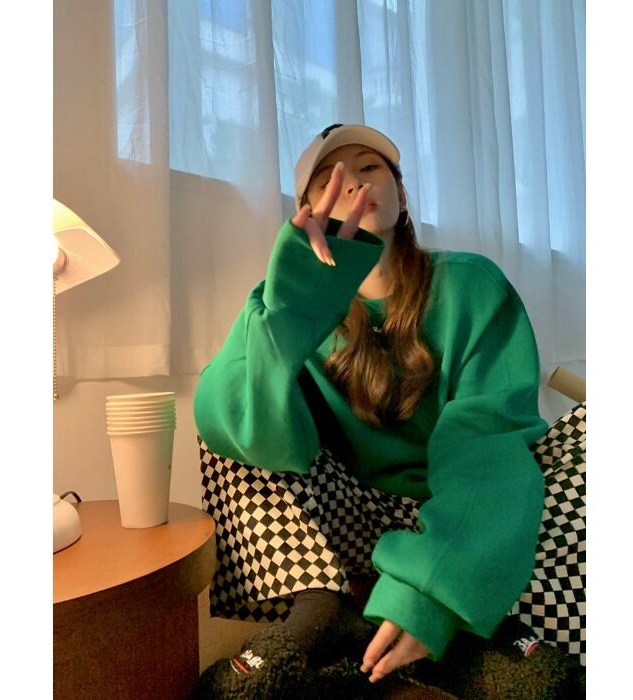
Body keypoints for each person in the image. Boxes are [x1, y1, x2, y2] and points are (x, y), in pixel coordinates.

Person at [192, 123, 549, 698]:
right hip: (348, 524)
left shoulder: (471, 285)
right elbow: (231, 424)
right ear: (307, 210)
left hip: (458, 511)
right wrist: (290, 318)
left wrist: (427, 596)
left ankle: (449, 608)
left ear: (401, 192)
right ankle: (320, 610)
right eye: (330, 179)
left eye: (369, 168)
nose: (355, 184)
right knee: (231, 405)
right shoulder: (280, 301)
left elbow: (487, 437)